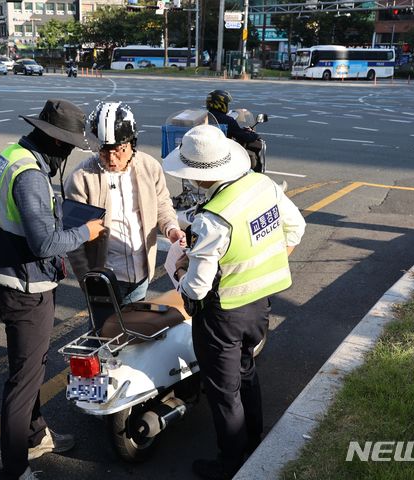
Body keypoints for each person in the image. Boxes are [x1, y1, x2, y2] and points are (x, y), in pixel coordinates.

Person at [163, 125, 306, 480]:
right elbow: (295, 227)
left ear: (197, 175)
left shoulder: (213, 220)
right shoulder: (263, 185)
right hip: (260, 305)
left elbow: (196, 288)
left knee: (225, 393)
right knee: (246, 373)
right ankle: (255, 437)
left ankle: (231, 462)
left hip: (221, 315)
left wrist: (177, 273)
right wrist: (267, 260)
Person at [0, 99, 106, 480]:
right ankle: (15, 468)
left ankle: (35, 436)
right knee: (24, 380)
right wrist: (86, 232)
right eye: (68, 145)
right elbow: (44, 244)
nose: (68, 152)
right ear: (55, 142)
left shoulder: (13, 155)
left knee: (30, 368)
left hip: (5, 277)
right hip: (25, 286)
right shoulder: (32, 175)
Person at [64, 102, 185, 314]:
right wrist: (88, 281)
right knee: (104, 334)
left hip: (141, 272)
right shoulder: (81, 178)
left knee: (133, 335)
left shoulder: (149, 167)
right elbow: (74, 241)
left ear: (132, 143)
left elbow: (162, 204)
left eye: (119, 150)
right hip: (105, 276)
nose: (111, 158)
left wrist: (172, 229)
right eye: (104, 151)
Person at [205, 89, 265, 173]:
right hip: (223, 154)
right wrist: (255, 136)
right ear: (220, 104)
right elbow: (242, 136)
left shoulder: (203, 117)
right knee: (254, 149)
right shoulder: (227, 120)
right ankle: (256, 175)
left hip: (206, 152)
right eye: (226, 103)